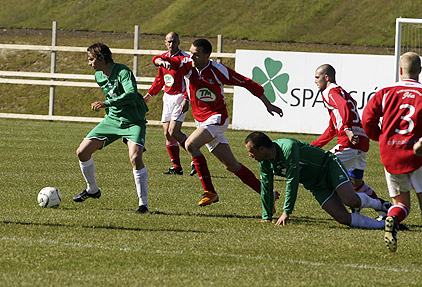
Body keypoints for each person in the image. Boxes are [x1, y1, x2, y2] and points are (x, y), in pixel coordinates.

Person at [152, 38, 283, 206]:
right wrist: (161, 61)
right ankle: (268, 193)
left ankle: (210, 192)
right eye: (191, 53)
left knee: (190, 144)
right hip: (202, 121)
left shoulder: (218, 70)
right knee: (231, 165)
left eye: (196, 54)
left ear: (207, 55)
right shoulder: (186, 63)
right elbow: (157, 59)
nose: (192, 57)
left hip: (217, 118)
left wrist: (267, 103)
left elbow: (246, 82)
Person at [245, 131, 391, 227]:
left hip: (329, 167)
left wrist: (286, 212)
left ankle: (381, 205)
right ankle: (386, 225)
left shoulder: (287, 148)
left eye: (251, 151)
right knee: (343, 219)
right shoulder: (263, 161)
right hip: (315, 184)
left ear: (262, 149)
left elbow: (292, 182)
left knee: (350, 200)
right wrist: (267, 216)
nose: (249, 156)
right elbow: (266, 185)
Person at [73, 43, 150, 214]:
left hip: (133, 121)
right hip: (112, 120)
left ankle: (143, 204)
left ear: (101, 58)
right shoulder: (99, 76)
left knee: (136, 158)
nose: (89, 63)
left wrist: (107, 103)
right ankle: (92, 189)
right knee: (82, 152)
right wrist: (110, 107)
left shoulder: (123, 72)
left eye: (91, 59)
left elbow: (131, 93)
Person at [362, 51, 422, 252]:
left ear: (400, 70)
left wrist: (380, 137)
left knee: (401, 203)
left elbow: (367, 120)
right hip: (418, 153)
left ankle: (392, 218)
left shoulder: (385, 92)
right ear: (420, 71)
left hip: (392, 153)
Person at [312, 64, 390, 217]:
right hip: (362, 142)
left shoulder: (330, 91)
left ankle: (362, 205)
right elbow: (333, 128)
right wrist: (314, 146)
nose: (315, 81)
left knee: (323, 171)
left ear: (326, 77)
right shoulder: (342, 91)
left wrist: (347, 128)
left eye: (317, 77)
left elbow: (343, 106)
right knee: (356, 183)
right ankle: (383, 209)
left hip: (349, 143)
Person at [144, 32, 196, 176]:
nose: (171, 44)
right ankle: (177, 167)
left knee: (174, 131)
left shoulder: (184, 59)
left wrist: (186, 99)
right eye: (169, 42)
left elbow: (189, 81)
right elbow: (160, 79)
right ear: (165, 42)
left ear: (179, 41)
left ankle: (196, 158)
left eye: (173, 41)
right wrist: (149, 94)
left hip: (180, 97)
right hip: (167, 97)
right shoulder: (163, 58)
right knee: (167, 134)